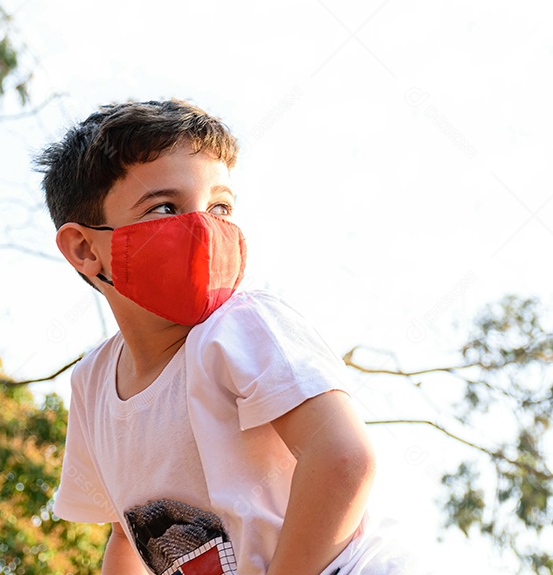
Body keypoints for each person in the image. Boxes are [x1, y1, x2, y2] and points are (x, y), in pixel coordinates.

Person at [36, 99, 419, 575]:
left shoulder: (240, 326)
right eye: (164, 207)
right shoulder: (93, 386)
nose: (202, 228)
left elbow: (343, 457)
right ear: (84, 248)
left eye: (220, 206)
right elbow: (127, 535)